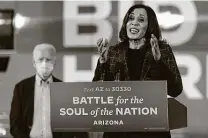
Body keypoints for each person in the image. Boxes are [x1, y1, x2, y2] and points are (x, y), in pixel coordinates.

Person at [93, 4, 183, 138]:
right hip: (119, 130)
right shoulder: (113, 52)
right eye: (131, 18)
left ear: (149, 26)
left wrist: (158, 62)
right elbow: (98, 91)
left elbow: (175, 89)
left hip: (153, 130)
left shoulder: (162, 50)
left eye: (141, 20)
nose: (134, 23)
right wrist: (103, 63)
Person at [10, 43, 88, 138]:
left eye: (48, 60)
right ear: (34, 63)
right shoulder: (21, 88)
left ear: (54, 62)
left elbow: (75, 125)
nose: (44, 63)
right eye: (40, 59)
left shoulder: (65, 89)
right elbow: (15, 124)